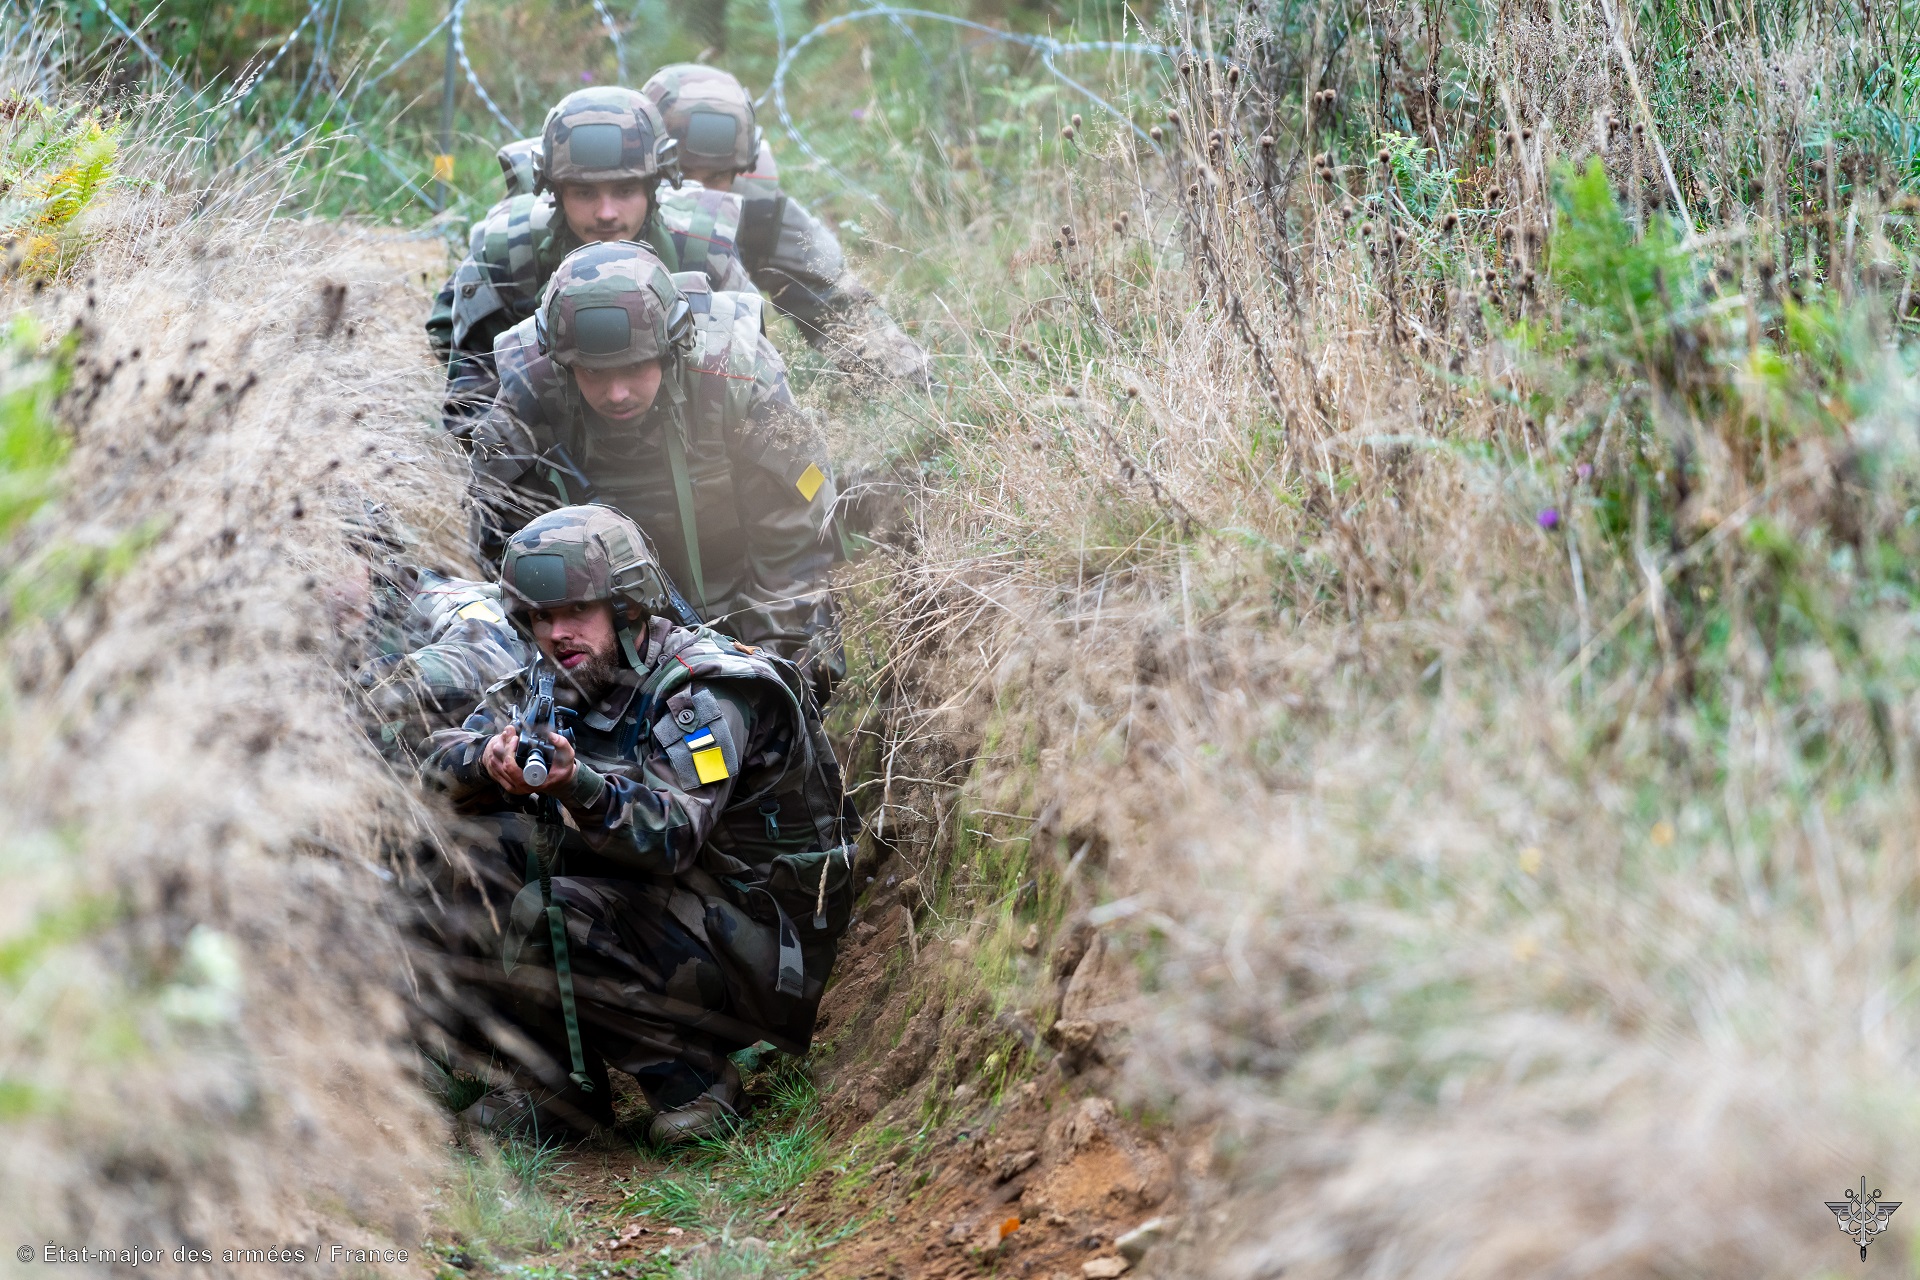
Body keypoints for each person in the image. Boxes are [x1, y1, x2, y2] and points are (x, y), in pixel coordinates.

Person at [416, 505, 855, 1142]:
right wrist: (485, 762)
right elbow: (427, 769)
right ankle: (553, 1091)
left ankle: (696, 1083)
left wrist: (577, 784)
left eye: (575, 612)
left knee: (557, 909)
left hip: (763, 944)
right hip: (675, 912)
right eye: (540, 617)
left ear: (626, 607)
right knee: (464, 853)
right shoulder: (558, 680)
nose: (556, 632)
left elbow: (671, 835)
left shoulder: (701, 692)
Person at [462, 238, 844, 696]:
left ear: (672, 347)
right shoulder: (531, 391)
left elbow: (798, 542)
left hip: (742, 591)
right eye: (595, 373)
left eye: (636, 367)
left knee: (794, 681)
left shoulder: (737, 377)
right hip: (597, 615)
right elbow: (498, 545)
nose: (617, 393)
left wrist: (759, 675)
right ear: (564, 364)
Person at [426, 86, 755, 416]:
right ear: (556, 192)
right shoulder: (513, 250)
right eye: (584, 193)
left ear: (653, 187)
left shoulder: (702, 245)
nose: (606, 213)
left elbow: (752, 375)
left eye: (625, 190)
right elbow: (471, 389)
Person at [642, 64, 931, 390]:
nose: (698, 194)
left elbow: (836, 305)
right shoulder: (603, 209)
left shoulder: (757, 209)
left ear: (741, 170)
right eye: (680, 176)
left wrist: (917, 390)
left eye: (715, 178)